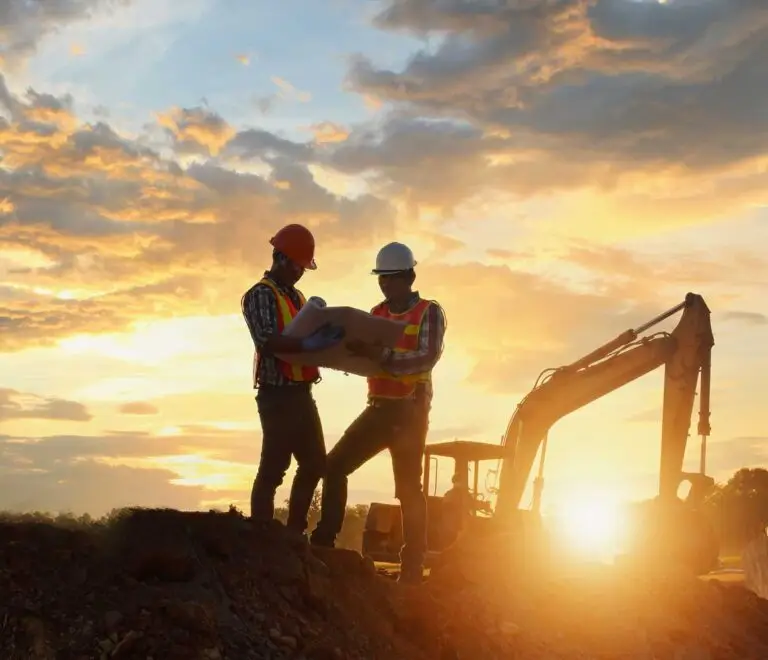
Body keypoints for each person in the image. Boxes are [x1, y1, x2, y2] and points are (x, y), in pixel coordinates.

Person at [310, 241, 447, 584]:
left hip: (410, 412)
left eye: (391, 278)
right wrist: (344, 354)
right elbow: (367, 359)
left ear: (409, 277)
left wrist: (381, 356)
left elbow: (425, 357)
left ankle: (412, 566)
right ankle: (324, 546)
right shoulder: (377, 313)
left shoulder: (429, 312)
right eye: (381, 279)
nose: (385, 285)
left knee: (408, 489)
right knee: (334, 467)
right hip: (378, 408)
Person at [241, 223, 345, 538]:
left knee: (314, 464)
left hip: (301, 394)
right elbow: (267, 340)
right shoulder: (259, 295)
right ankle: (262, 539)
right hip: (276, 396)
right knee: (273, 470)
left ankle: (293, 535)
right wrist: (307, 345)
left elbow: (305, 335)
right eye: (299, 266)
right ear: (282, 259)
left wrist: (329, 346)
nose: (301, 273)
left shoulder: (297, 296)